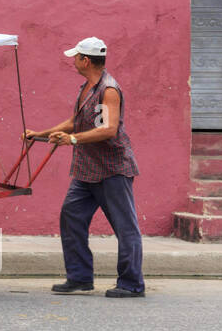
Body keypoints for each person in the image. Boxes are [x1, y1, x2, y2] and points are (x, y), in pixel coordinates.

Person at [23, 37, 145, 298]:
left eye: (76, 57)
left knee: (125, 227)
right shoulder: (87, 88)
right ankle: (79, 278)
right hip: (87, 170)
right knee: (71, 217)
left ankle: (132, 284)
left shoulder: (108, 90)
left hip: (112, 170)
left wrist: (74, 139)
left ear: (85, 60)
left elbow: (108, 129)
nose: (74, 61)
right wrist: (41, 134)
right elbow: (74, 122)